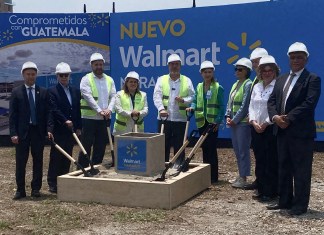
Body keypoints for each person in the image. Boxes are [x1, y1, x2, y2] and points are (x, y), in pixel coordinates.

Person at [267, 42, 321, 215]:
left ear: (306, 59)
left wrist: (288, 118)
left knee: (301, 170)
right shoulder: (281, 79)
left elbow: (309, 103)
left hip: (300, 133)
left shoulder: (312, 79)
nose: (296, 60)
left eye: (300, 57)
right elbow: (272, 101)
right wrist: (275, 117)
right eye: (293, 57)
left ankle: (300, 205)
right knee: (283, 166)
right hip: (282, 131)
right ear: (289, 58)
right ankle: (285, 200)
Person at [9, 61, 53, 200]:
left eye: (33, 74)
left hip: (38, 132)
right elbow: (12, 115)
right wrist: (13, 133)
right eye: (28, 74)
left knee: (38, 161)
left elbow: (48, 113)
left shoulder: (43, 92)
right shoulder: (16, 92)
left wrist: (49, 129)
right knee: (21, 162)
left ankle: (35, 189)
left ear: (36, 75)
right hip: (22, 134)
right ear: (23, 75)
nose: (30, 77)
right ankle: (20, 190)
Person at [153, 53, 195, 165]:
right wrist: (161, 109)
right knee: (163, 144)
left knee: (179, 145)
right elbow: (156, 96)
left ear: (180, 66)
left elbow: (192, 96)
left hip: (180, 119)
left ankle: (178, 166)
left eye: (176, 64)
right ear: (168, 66)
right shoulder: (161, 80)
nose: (174, 66)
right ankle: (162, 166)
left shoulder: (187, 80)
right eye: (172, 64)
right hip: (164, 119)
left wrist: (184, 100)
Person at [187, 61, 225, 183]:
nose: (207, 74)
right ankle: (206, 175)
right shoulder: (198, 87)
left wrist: (218, 121)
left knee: (212, 149)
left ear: (213, 72)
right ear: (201, 73)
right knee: (204, 148)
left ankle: (213, 177)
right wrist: (192, 107)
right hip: (201, 122)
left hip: (212, 123)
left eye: (210, 72)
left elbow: (222, 106)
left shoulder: (218, 87)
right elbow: (195, 101)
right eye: (205, 72)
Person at [47, 62, 82, 193]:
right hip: (59, 129)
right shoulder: (52, 91)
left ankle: (64, 179)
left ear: (69, 76)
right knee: (56, 157)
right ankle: (52, 182)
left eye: (66, 75)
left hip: (71, 130)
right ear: (57, 76)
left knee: (68, 155)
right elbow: (54, 109)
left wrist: (78, 126)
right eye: (61, 75)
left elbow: (77, 110)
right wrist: (65, 120)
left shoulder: (74, 91)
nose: (64, 77)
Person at [249, 55, 279, 202]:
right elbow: (252, 106)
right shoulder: (256, 86)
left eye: (270, 70)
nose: (267, 73)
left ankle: (271, 191)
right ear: (260, 72)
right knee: (259, 159)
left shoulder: (278, 86)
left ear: (275, 71)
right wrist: (254, 122)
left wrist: (266, 123)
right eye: (264, 70)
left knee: (271, 160)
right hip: (256, 128)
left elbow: (277, 108)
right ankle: (261, 189)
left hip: (270, 128)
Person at [78, 52, 116, 168]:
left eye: (100, 64)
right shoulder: (86, 79)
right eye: (96, 65)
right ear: (91, 65)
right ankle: (82, 170)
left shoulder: (109, 80)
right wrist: (100, 110)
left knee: (100, 146)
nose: (99, 67)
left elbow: (114, 96)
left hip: (104, 119)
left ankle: (96, 167)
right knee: (86, 146)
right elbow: (88, 97)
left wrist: (109, 109)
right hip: (89, 119)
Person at [225, 58, 252, 188]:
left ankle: (244, 177)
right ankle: (240, 174)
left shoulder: (248, 84)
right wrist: (227, 116)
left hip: (242, 124)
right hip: (234, 123)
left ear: (247, 71)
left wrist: (234, 120)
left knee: (243, 150)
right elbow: (230, 102)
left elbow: (245, 105)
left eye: (240, 69)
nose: (237, 71)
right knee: (237, 149)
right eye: (236, 69)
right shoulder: (235, 84)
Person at [244, 47, 269, 191]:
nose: (254, 66)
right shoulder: (256, 81)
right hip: (255, 124)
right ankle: (260, 181)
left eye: (256, 62)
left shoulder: (274, 80)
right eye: (253, 63)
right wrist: (252, 118)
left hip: (268, 126)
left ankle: (268, 184)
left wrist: (265, 122)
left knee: (268, 156)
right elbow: (252, 102)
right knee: (258, 154)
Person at [113, 71, 148, 135]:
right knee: (122, 145)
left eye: (135, 82)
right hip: (122, 129)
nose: (133, 84)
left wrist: (139, 113)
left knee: (138, 145)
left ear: (138, 84)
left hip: (138, 128)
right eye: (131, 82)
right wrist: (131, 113)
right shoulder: (119, 94)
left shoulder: (143, 95)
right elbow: (118, 110)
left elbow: (146, 110)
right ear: (126, 83)